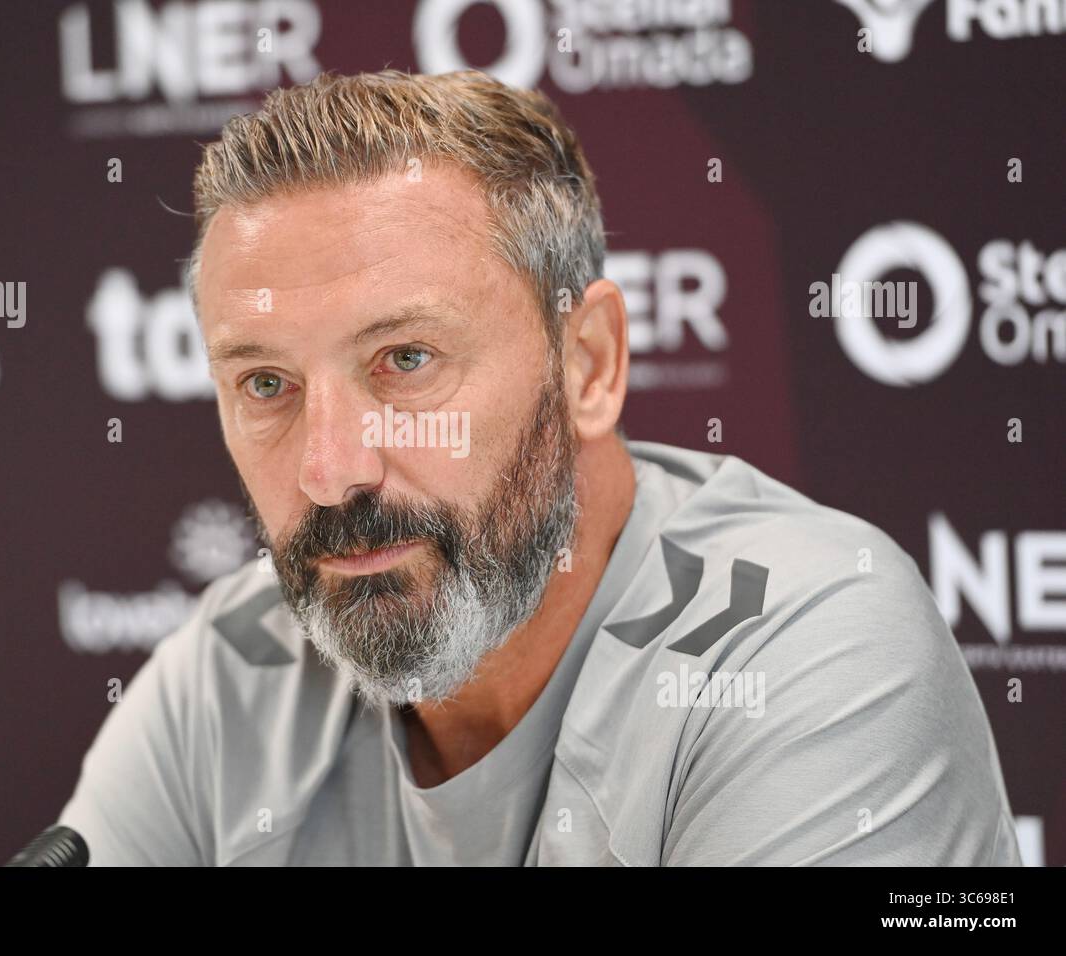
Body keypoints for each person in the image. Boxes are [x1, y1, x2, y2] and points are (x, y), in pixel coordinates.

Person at [57, 70, 1021, 866]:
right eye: (266, 383)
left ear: (588, 363)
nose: (330, 472)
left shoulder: (810, 644)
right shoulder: (231, 670)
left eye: (405, 361)